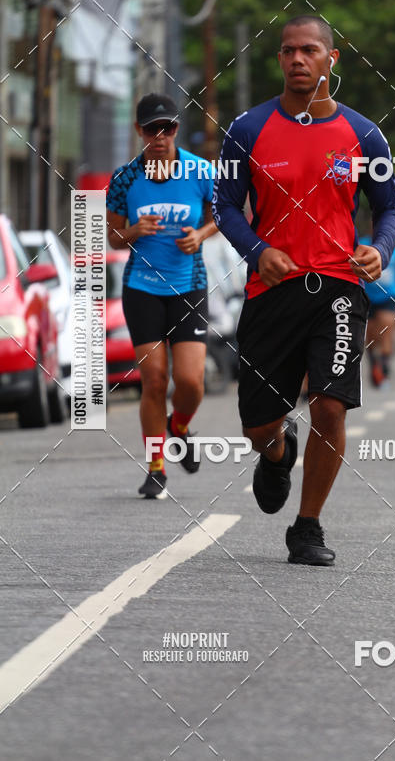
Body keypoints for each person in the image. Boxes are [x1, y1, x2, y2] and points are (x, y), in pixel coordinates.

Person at [213, 15, 395, 565]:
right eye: (288, 51)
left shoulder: (365, 135)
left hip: (340, 286)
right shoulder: (247, 130)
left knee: (330, 407)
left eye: (309, 51)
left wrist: (380, 249)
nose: (298, 59)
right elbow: (224, 205)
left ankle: (308, 527)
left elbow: (389, 206)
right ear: (280, 60)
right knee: (258, 424)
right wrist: (257, 251)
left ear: (331, 59)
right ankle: (275, 452)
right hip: (273, 288)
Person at [106, 93, 217, 499]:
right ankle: (156, 466)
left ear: (176, 129)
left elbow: (224, 215)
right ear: (139, 131)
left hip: (189, 284)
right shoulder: (124, 179)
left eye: (167, 127)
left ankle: (181, 425)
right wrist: (135, 231)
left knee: (191, 382)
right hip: (142, 289)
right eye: (151, 128)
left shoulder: (200, 171)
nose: (160, 135)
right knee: (154, 380)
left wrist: (199, 235)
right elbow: (113, 238)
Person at [360, 234, 395, 387]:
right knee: (371, 336)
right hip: (368, 295)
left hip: (389, 295)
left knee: (387, 326)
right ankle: (374, 364)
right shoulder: (362, 243)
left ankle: (384, 367)